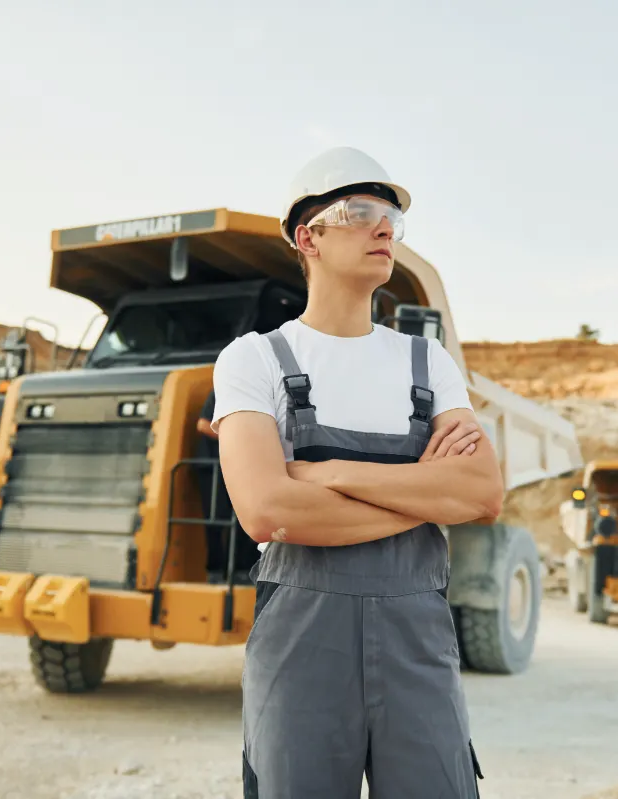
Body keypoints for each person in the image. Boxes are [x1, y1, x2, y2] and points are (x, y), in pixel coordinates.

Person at [210, 146, 504, 798]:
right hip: (301, 649)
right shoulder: (253, 361)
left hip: (417, 644)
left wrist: (328, 472)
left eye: (392, 215)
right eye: (362, 210)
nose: (385, 228)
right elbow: (269, 511)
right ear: (306, 236)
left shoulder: (428, 363)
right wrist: (428, 496)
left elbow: (482, 493)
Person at [194, 388, 258, 584]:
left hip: (239, 467)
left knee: (243, 520)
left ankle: (241, 570)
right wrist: (238, 439)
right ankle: (215, 571)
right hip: (213, 467)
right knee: (215, 520)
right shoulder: (225, 389)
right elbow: (203, 425)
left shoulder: (258, 395)